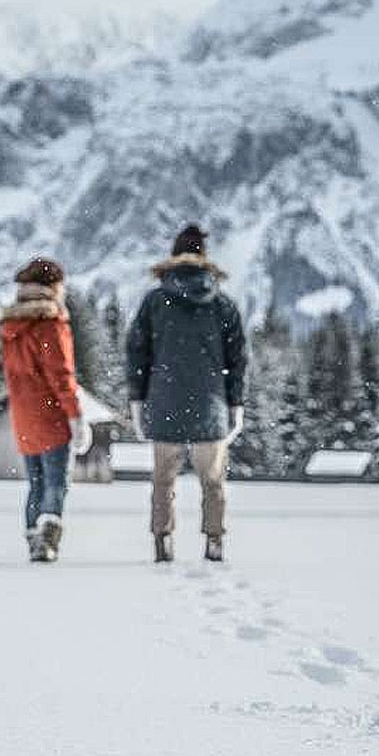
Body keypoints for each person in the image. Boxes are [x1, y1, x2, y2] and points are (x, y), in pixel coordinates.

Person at [124, 224, 248, 563]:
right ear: (204, 260)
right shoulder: (223, 305)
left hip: (164, 403)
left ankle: (163, 541)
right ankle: (214, 540)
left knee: (163, 481)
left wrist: (138, 399)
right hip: (212, 406)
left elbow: (136, 354)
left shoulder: (154, 302)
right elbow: (237, 359)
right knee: (213, 481)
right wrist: (236, 402)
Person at [0, 256, 91, 563]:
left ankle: (32, 536)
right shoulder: (49, 325)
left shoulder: (12, 326)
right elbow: (61, 375)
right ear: (52, 287)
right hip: (51, 416)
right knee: (55, 483)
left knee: (35, 484)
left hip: (23, 417)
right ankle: (47, 541)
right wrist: (75, 416)